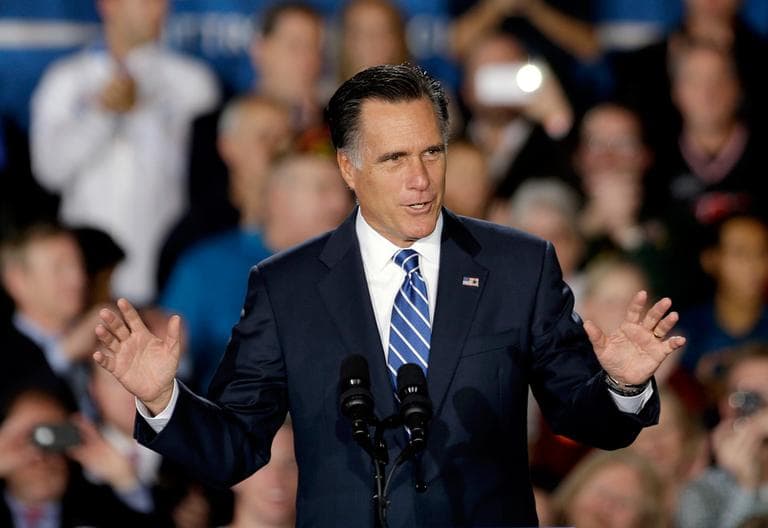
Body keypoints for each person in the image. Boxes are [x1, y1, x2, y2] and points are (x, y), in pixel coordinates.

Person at [93, 64, 685, 526]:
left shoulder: (519, 265)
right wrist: (163, 399)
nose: (421, 179)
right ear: (348, 169)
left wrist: (623, 386)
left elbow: (585, 418)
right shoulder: (286, 286)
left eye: (432, 151)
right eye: (395, 158)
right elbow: (236, 449)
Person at [30, 0, 219, 305]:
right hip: (86, 281)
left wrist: (143, 112)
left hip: (168, 276)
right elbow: (49, 172)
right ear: (109, 4)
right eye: (146, 1)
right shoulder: (64, 80)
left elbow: (203, 181)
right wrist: (102, 115)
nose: (160, 10)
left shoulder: (193, 83)